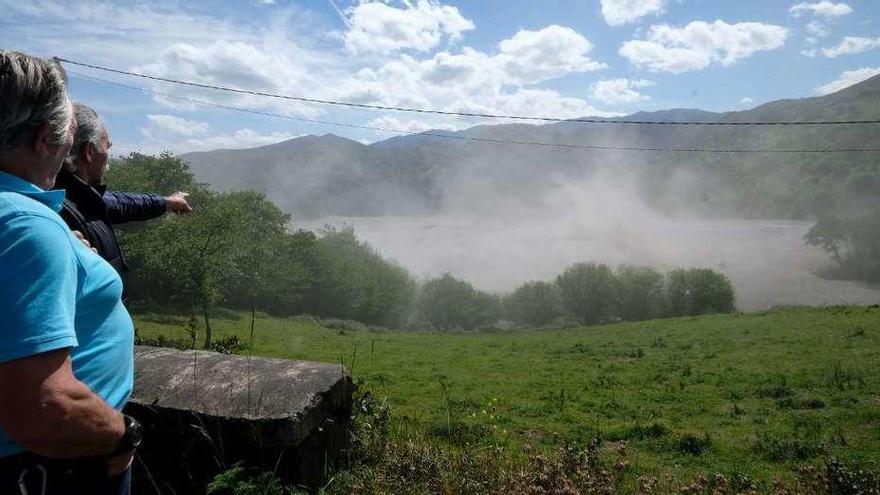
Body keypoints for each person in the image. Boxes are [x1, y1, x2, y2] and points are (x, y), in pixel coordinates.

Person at [0, 51, 140, 494]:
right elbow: (44, 407)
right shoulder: (24, 223)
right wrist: (123, 436)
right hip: (54, 466)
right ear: (45, 139)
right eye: (65, 136)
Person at [55, 103, 192, 277]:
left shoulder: (82, 199)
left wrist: (167, 202)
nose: (108, 160)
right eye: (107, 147)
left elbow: (124, 203)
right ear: (89, 151)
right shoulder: (61, 211)